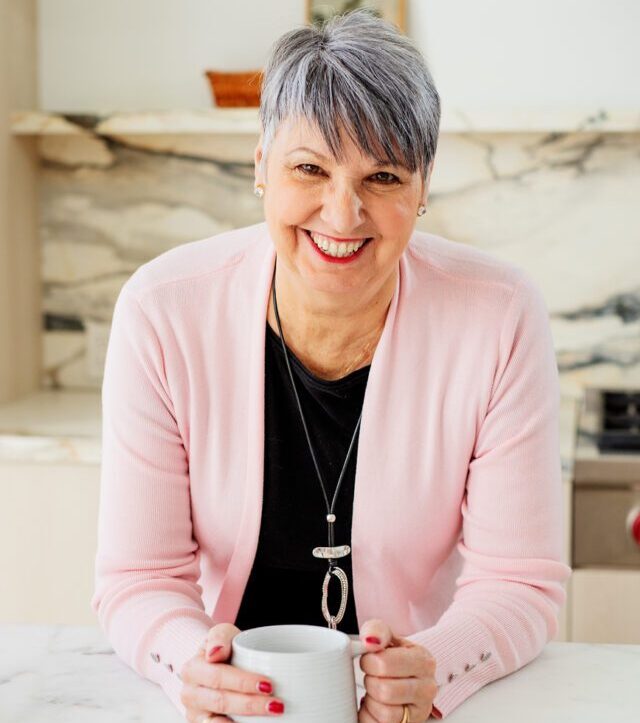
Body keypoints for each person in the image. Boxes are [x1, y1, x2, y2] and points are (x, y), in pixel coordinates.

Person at [91, 9, 570, 723]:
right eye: (309, 168)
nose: (342, 214)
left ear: (422, 185)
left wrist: (436, 666)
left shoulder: (497, 315)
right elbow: (139, 576)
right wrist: (190, 665)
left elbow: (519, 580)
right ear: (261, 164)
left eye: (381, 175)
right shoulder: (162, 311)